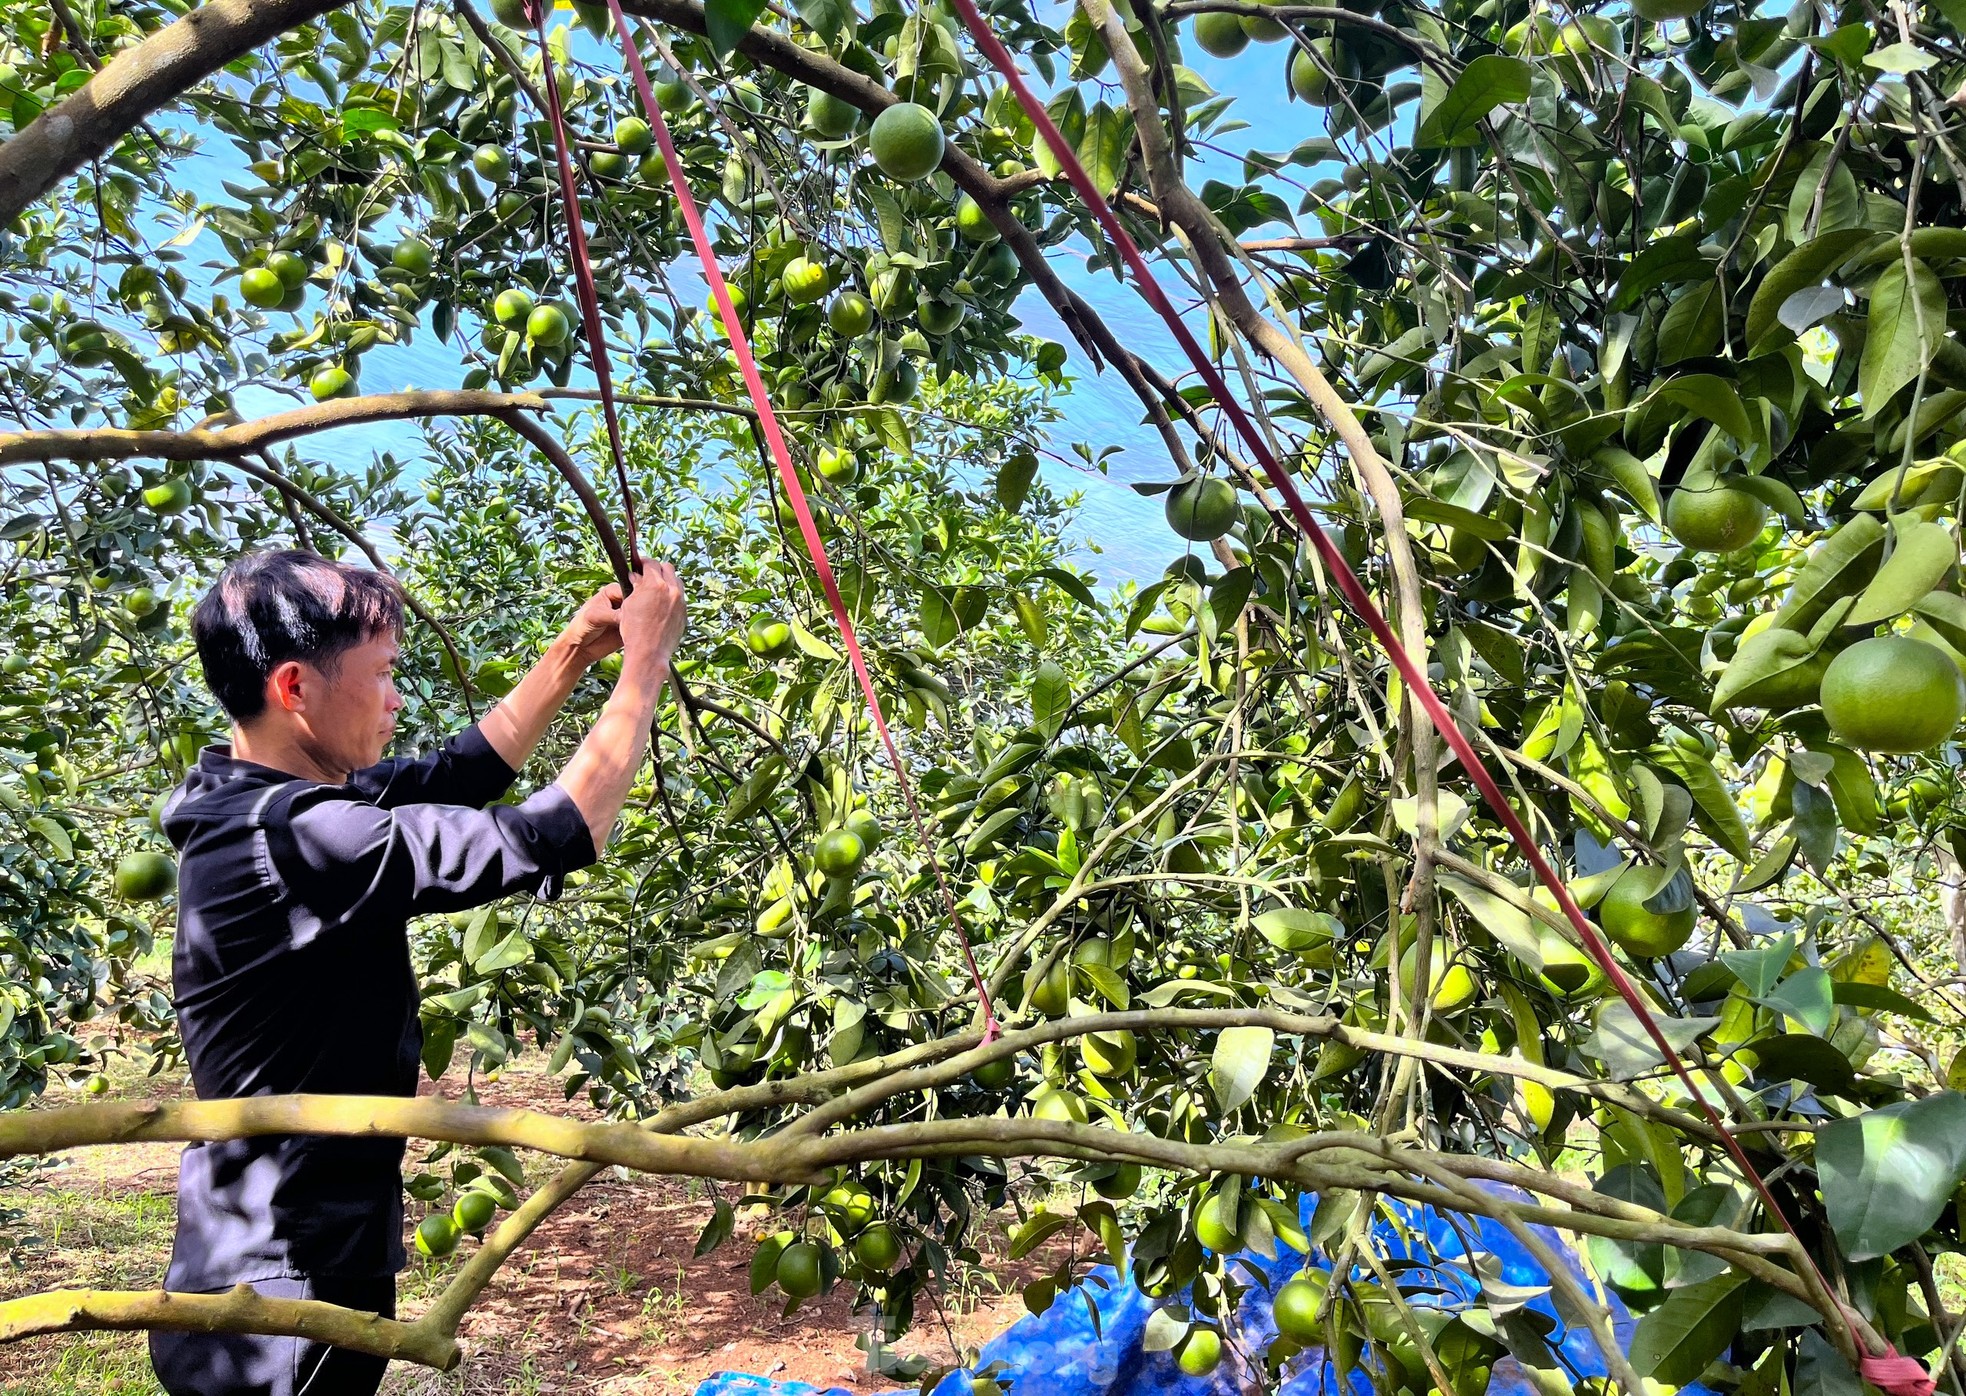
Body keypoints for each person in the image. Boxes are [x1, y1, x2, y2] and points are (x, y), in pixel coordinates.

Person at [148, 548, 686, 1396]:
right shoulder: (301, 840)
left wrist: (577, 651)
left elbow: (460, 772)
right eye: (384, 674)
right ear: (295, 689)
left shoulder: (257, 800)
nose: (398, 700)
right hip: (284, 1284)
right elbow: (559, 829)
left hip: (273, 1249)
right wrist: (649, 661)